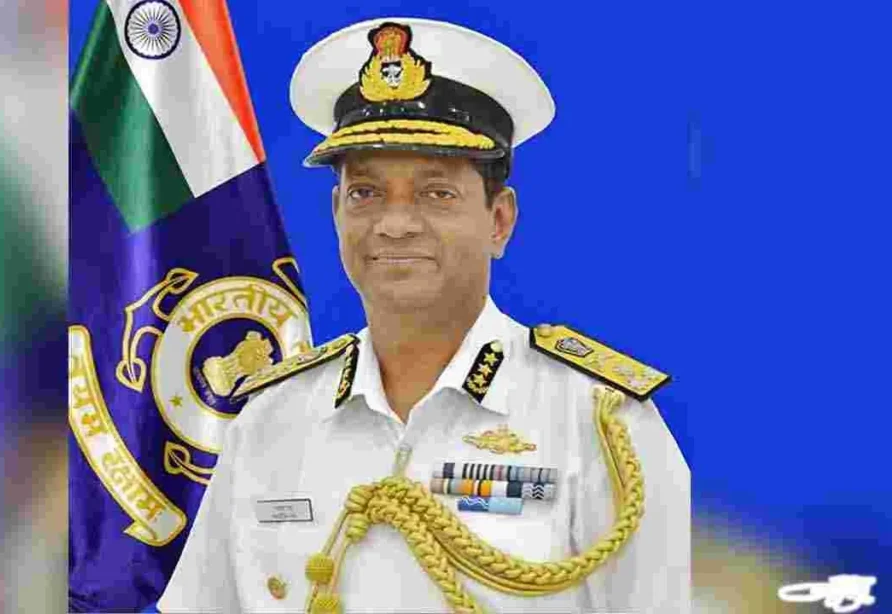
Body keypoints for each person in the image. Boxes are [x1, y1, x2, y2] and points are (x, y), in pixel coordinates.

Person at [158, 17, 690, 613]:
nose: (395, 224)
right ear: (336, 212)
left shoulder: (598, 423)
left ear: (499, 220)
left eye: (437, 194)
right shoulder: (270, 418)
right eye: (365, 193)